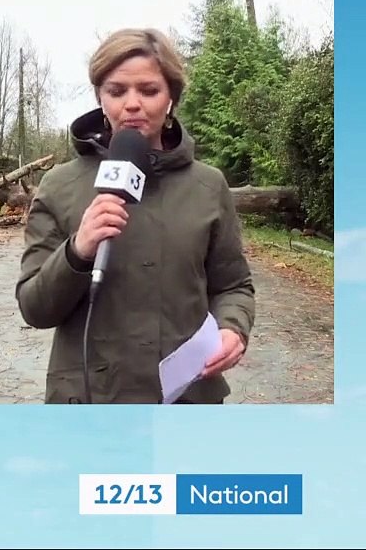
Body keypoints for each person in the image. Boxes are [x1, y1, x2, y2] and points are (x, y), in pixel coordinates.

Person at [15, 28, 255, 404]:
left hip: (186, 400)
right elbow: (34, 307)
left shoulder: (208, 186)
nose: (132, 104)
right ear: (100, 97)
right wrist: (77, 251)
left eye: (148, 90)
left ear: (171, 99)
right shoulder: (60, 185)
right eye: (116, 91)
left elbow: (233, 285)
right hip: (89, 403)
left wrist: (233, 329)